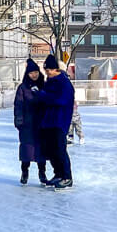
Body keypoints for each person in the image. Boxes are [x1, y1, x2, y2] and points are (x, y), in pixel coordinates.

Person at [36, 55, 75, 189]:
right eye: (46, 70)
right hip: (48, 121)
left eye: (49, 70)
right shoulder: (49, 82)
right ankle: (58, 174)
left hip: (59, 120)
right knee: (51, 150)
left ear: (55, 69)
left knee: (60, 149)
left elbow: (61, 100)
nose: (47, 73)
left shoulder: (64, 82)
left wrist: (42, 96)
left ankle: (67, 177)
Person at [13, 59, 48, 185]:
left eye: (36, 72)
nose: (34, 75)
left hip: (41, 124)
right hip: (27, 124)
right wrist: (19, 121)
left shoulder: (43, 85)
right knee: (27, 150)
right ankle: (24, 172)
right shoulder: (22, 88)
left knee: (41, 150)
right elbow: (18, 105)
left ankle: (42, 172)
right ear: (27, 74)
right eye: (31, 73)